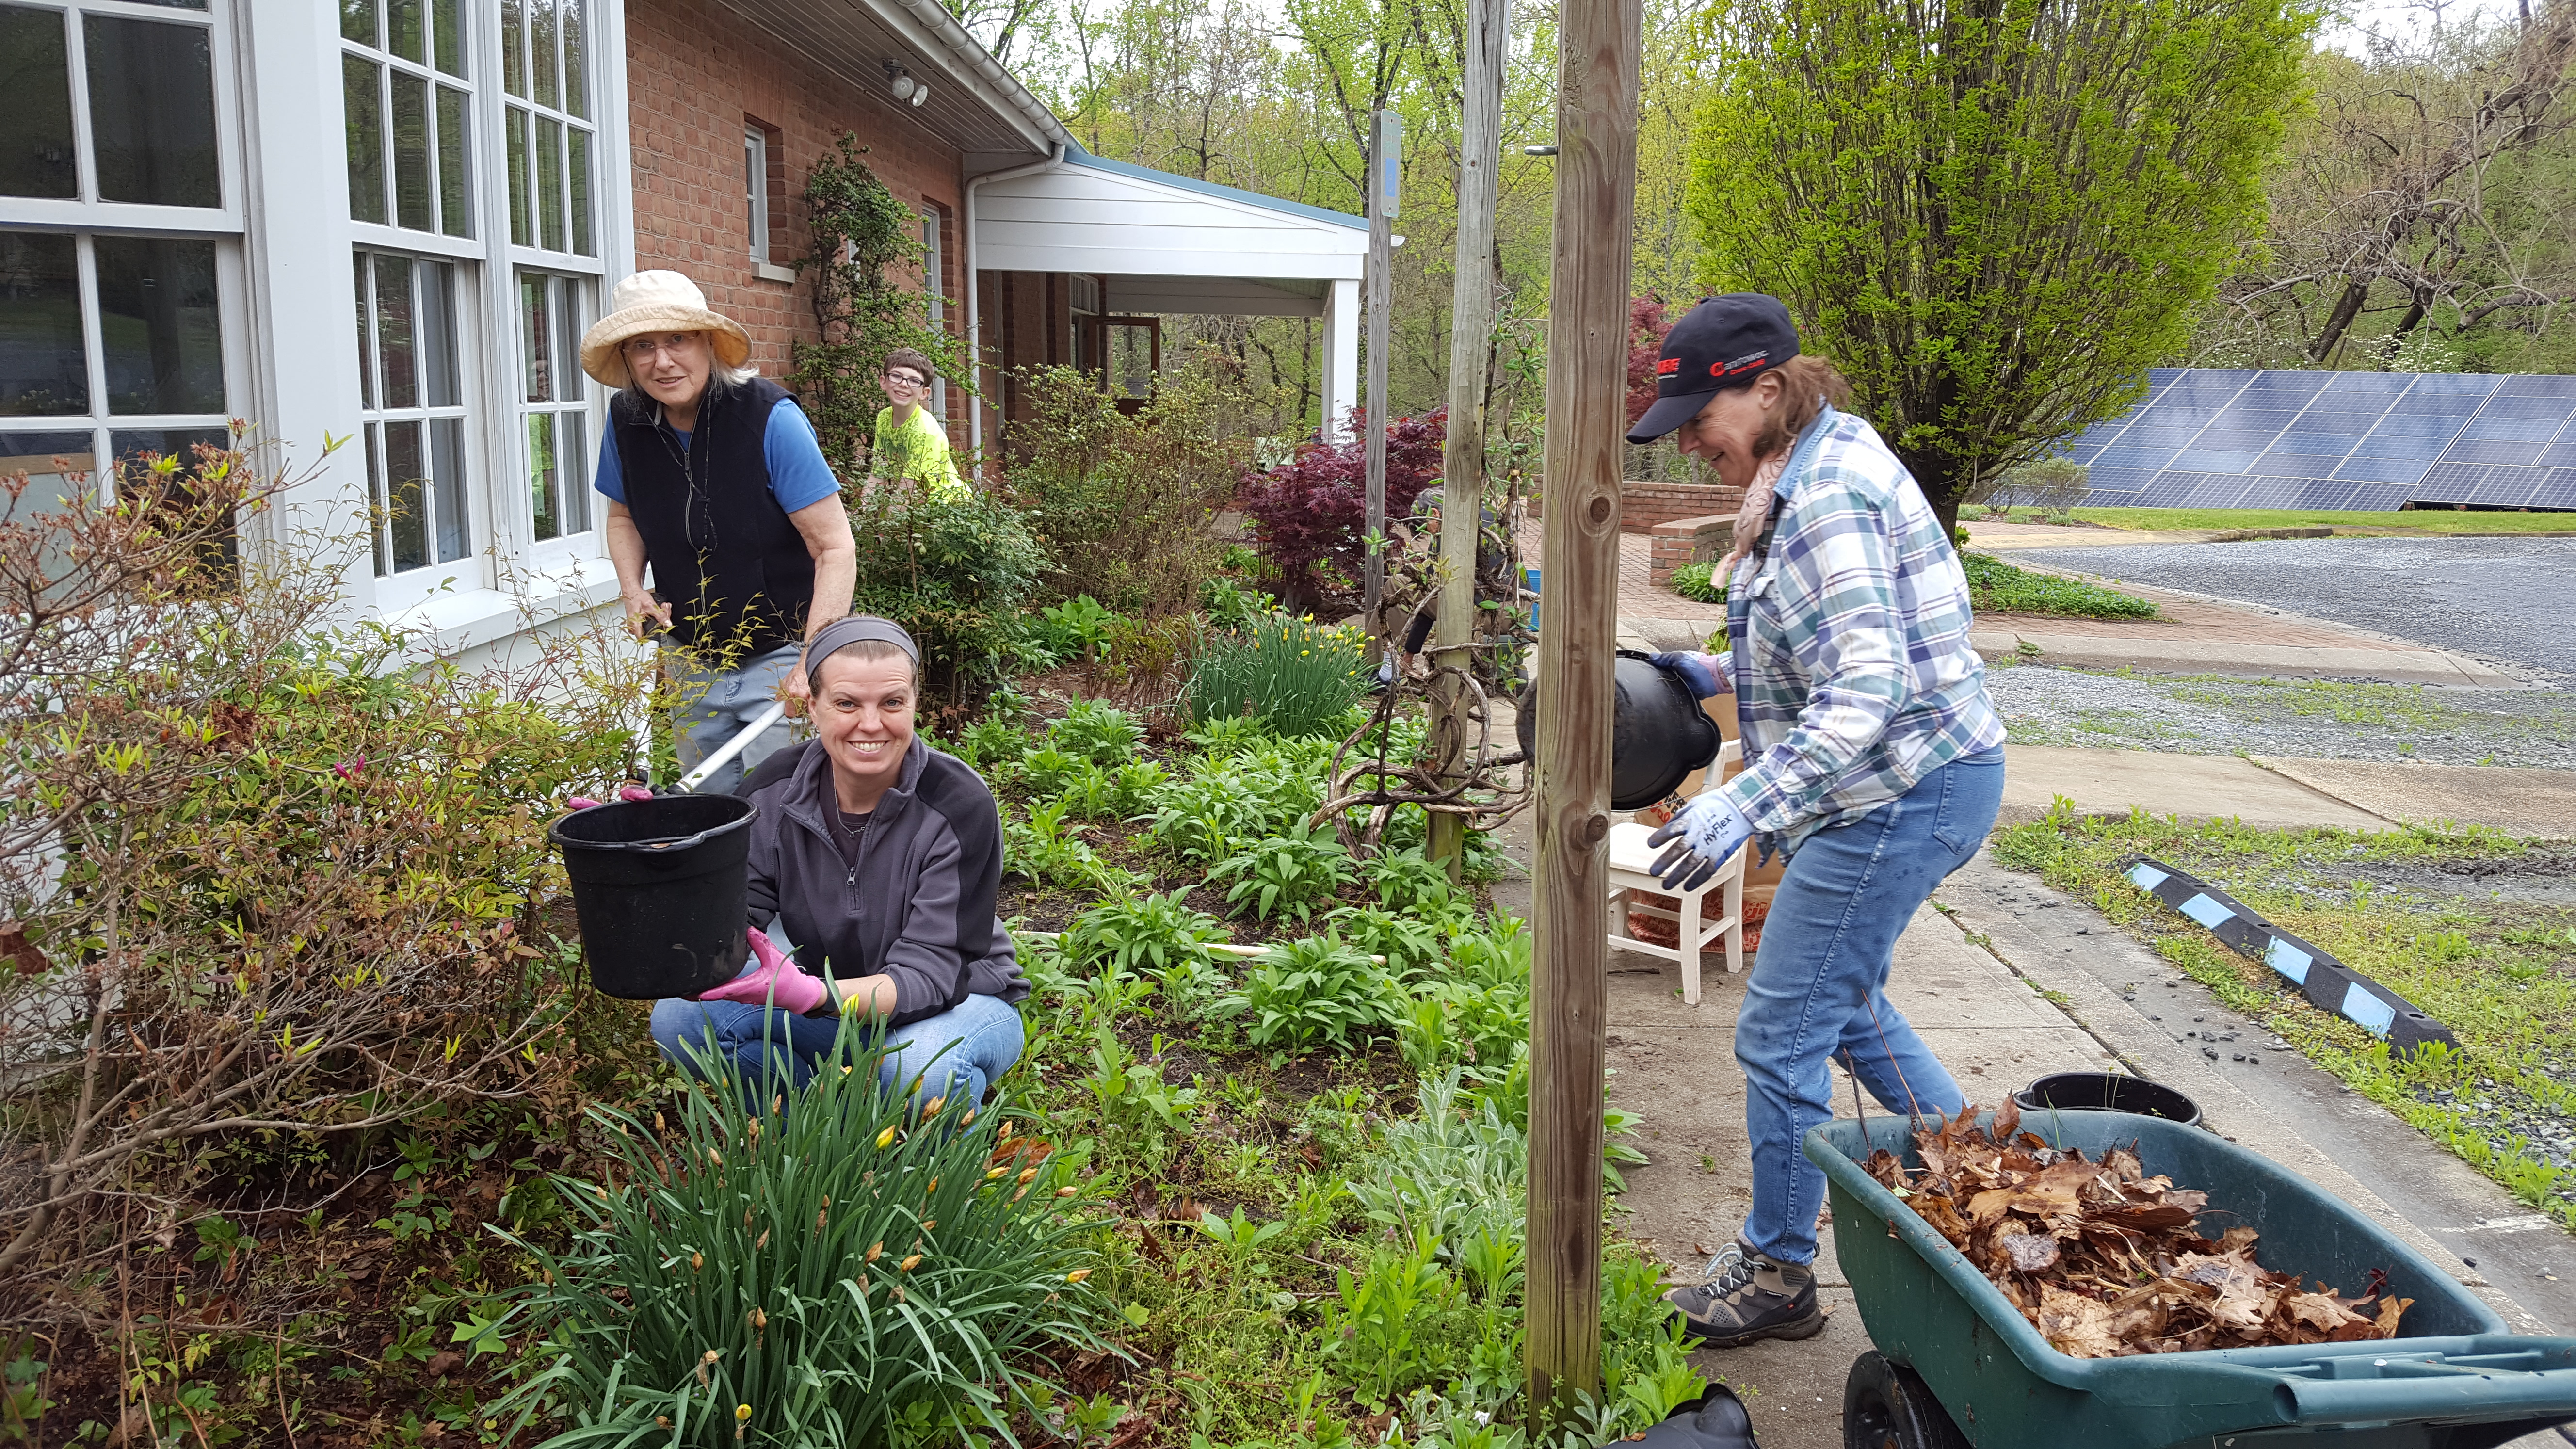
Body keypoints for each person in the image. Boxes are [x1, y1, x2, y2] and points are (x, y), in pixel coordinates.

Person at [1624, 294, 2007, 1348]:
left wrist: (1738, 804)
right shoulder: (1794, 476)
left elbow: (1865, 689)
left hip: (1902, 786)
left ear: (1766, 387)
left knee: (1781, 1026)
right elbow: (1819, 644)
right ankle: (1982, 1182)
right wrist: (1704, 668)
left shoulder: (1829, 491)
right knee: (1841, 1009)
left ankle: (1778, 1271)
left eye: (1704, 418)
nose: (1695, 443)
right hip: (1896, 778)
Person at [650, 614, 1027, 1108]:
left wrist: (814, 998)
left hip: (961, 1001)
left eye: (892, 702)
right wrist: (661, 858)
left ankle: (939, 1152)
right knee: (677, 1023)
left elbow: (934, 974)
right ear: (812, 706)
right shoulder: (774, 788)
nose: (870, 724)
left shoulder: (957, 804)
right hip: (840, 1000)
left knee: (917, 1070)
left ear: (915, 703)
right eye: (846, 703)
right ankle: (817, 1129)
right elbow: (729, 922)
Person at [580, 270, 858, 794]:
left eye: (677, 340)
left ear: (709, 344)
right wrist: (633, 590)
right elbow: (623, 517)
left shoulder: (771, 419)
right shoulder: (625, 422)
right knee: (708, 810)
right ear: (626, 358)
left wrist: (811, 661)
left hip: (780, 656)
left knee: (784, 808)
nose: (662, 361)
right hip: (688, 656)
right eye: (643, 346)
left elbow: (835, 548)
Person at [867, 348, 968, 499]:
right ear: (883, 382)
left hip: (946, 509)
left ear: (924, 393)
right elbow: (878, 474)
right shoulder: (884, 418)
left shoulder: (924, 431)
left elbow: (908, 492)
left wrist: (884, 522)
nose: (904, 384)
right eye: (896, 376)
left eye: (914, 381)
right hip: (916, 507)